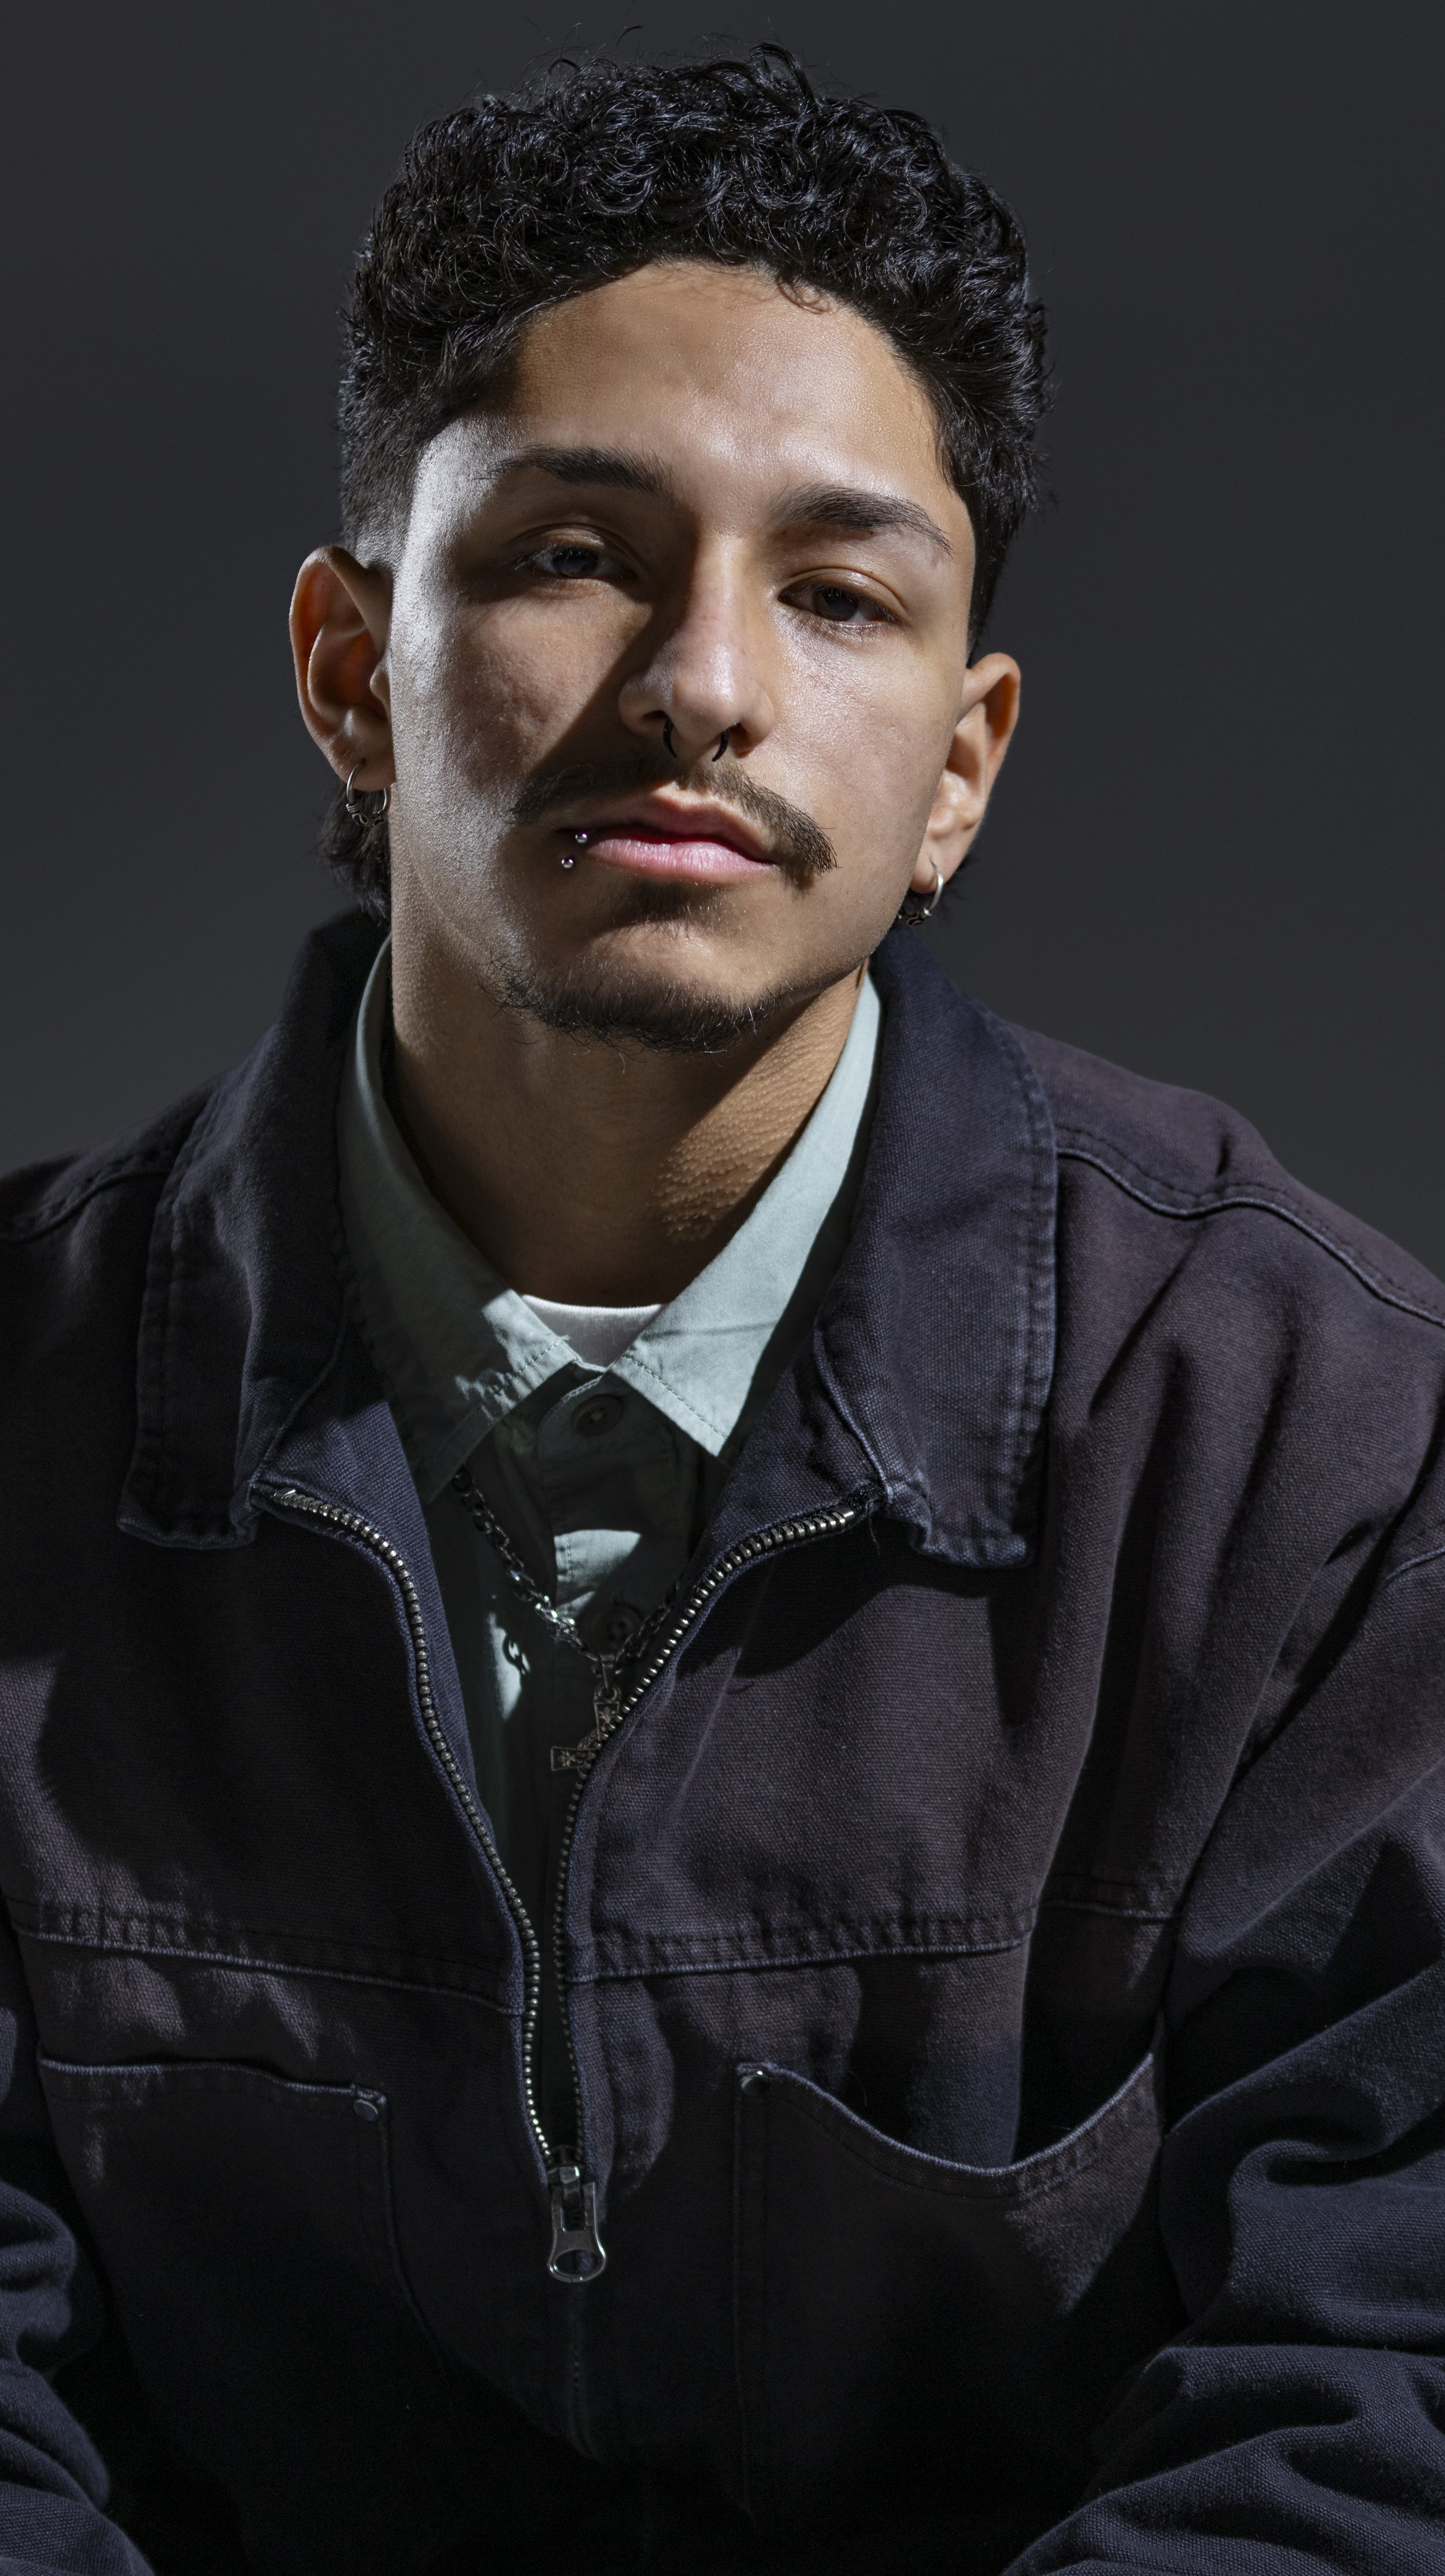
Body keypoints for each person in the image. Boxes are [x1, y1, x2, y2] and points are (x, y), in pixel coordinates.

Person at [1, 43, 1442, 2576]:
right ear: (353, 665)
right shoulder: (12, 1402)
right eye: (575, 549)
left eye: (840, 592)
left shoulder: (1307, 1446)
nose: (705, 679)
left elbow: (1372, 2398)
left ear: (962, 760)